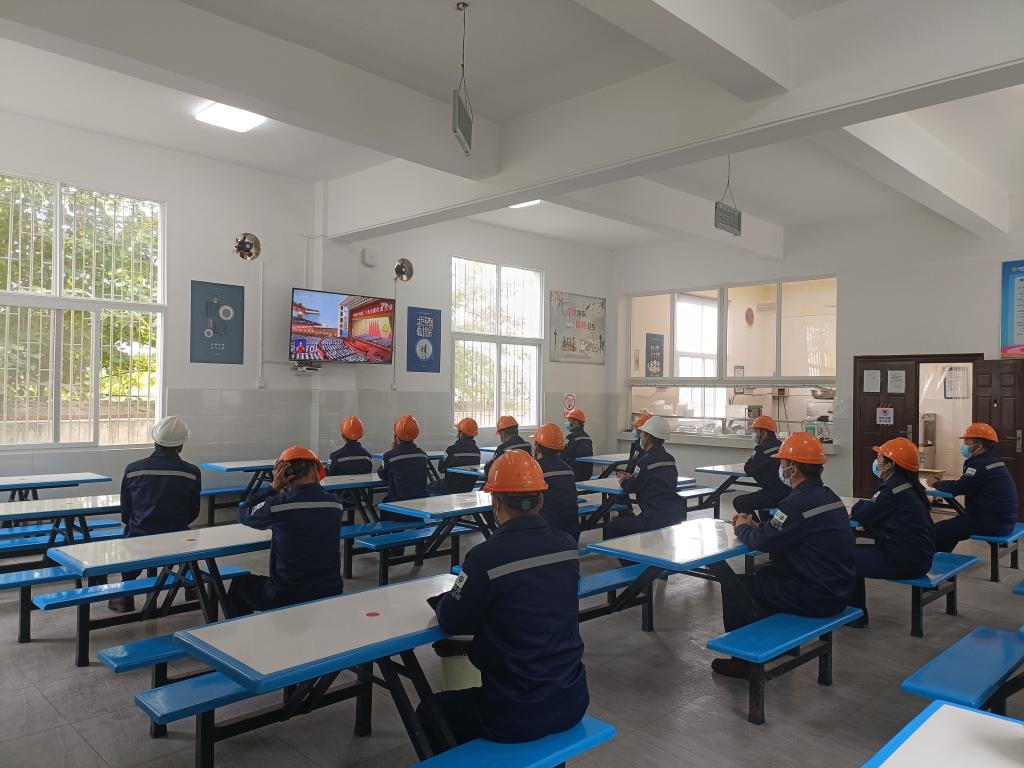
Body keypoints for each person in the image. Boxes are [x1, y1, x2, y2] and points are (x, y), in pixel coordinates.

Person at [416, 451, 588, 752]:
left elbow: (452, 621)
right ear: (541, 499)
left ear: (495, 502)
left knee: (429, 713)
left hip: (515, 711)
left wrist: (445, 600)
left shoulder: (485, 558)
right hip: (572, 700)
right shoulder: (567, 548)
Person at [712, 432, 855, 678]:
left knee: (736, 586)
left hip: (816, 596)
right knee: (763, 574)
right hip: (839, 589)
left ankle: (743, 661)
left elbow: (763, 542)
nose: (780, 467)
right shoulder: (830, 497)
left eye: (782, 463)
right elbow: (788, 532)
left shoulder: (794, 504)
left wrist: (743, 527)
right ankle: (772, 643)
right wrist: (760, 527)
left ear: (793, 469)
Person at [228, 445, 343, 616]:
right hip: (331, 590)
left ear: (282, 474)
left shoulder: (277, 505)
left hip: (287, 595)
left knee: (240, 585)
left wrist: (273, 487)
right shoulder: (336, 504)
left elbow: (243, 513)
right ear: (315, 470)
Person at [110, 416, 201, 613]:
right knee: (189, 544)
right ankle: (192, 588)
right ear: (181, 446)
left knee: (129, 544)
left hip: (140, 537)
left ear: (155, 442)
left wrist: (140, 524)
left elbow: (126, 512)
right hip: (176, 539)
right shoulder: (192, 472)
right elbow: (194, 511)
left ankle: (126, 596)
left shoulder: (133, 469)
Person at [848, 438, 935, 627]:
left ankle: (856, 616)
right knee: (853, 552)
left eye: (879, 458)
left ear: (890, 465)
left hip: (904, 561)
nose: (876, 462)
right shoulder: (909, 487)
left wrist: (860, 505)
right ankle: (856, 613)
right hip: (919, 557)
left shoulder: (892, 489)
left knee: (845, 558)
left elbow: (862, 514)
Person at [930, 422, 1019, 552]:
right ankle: (941, 557)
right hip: (1003, 520)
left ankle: (930, 559)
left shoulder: (980, 464)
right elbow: (967, 483)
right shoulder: (991, 459)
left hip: (992, 522)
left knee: (938, 530)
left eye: (967, 442)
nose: (964, 445)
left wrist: (935, 483)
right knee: (951, 529)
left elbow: (959, 488)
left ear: (979, 445)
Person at [605, 415, 684, 539]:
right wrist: (633, 476)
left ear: (648, 437)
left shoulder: (645, 461)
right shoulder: (670, 459)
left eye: (642, 434)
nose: (640, 436)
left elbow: (630, 487)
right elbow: (654, 479)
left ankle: (622, 552)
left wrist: (623, 480)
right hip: (675, 514)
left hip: (654, 518)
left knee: (612, 527)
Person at [531, 423, 582, 542]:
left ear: (538, 447)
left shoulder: (537, 469)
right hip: (573, 533)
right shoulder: (568, 469)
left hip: (547, 533)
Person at [732, 415, 789, 521]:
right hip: (788, 492)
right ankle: (764, 525)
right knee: (760, 494)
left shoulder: (762, 449)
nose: (754, 434)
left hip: (774, 493)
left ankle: (755, 527)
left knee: (739, 502)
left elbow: (748, 469)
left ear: (764, 433)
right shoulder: (782, 445)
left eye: (756, 431)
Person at [378, 415, 429, 520]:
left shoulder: (389, 456)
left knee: (383, 505)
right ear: (415, 435)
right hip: (420, 509)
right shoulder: (423, 455)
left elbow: (382, 474)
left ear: (396, 436)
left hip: (398, 509)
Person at [428, 417, 482, 495]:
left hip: (451, 487)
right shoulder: (476, 451)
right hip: (468, 488)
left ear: (461, 434)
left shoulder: (451, 450)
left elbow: (441, 468)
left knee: (429, 487)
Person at [560, 408, 594, 482]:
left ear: (575, 423)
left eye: (569, 421)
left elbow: (563, 456)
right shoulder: (587, 437)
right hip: (587, 474)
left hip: (574, 473)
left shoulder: (570, 437)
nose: (567, 423)